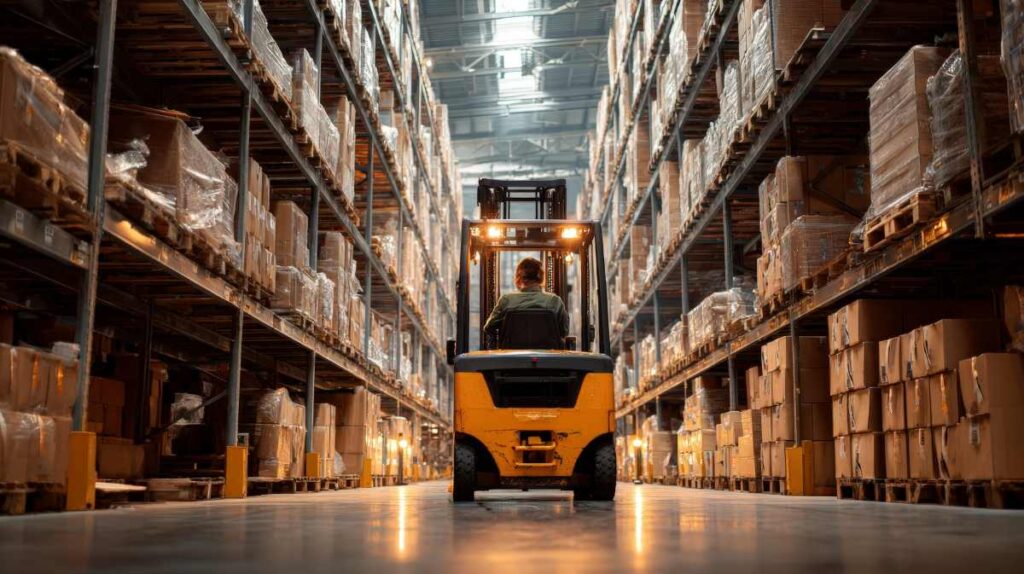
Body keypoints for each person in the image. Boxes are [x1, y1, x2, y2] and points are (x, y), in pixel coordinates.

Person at [483, 257, 569, 346]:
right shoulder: (555, 301)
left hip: (510, 356)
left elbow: (489, 327)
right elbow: (564, 331)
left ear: (519, 277)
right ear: (541, 277)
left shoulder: (506, 300)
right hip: (549, 357)